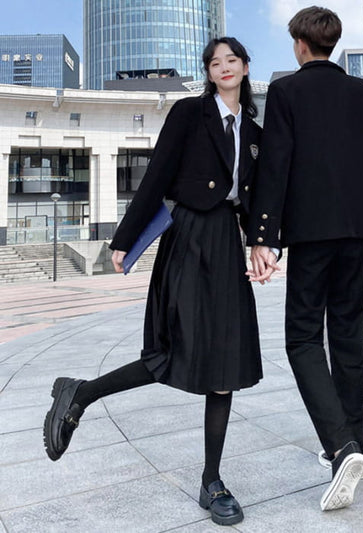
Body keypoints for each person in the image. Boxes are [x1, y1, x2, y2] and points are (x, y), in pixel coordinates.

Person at [43, 37, 263, 527]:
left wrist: (264, 244)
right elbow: (158, 175)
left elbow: (255, 197)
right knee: (171, 350)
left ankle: (212, 482)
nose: (224, 67)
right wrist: (124, 238)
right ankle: (81, 394)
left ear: (246, 68)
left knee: (226, 362)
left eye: (232, 60)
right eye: (215, 62)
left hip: (227, 242)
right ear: (208, 73)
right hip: (188, 237)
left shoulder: (253, 131)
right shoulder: (189, 113)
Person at [247, 6, 363, 512]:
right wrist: (353, 173)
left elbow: (276, 164)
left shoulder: (286, 91)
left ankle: (341, 447)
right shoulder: (360, 90)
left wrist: (263, 236)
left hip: (311, 231)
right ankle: (352, 441)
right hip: (357, 229)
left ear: (300, 44)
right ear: (332, 44)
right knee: (347, 334)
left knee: (301, 337)